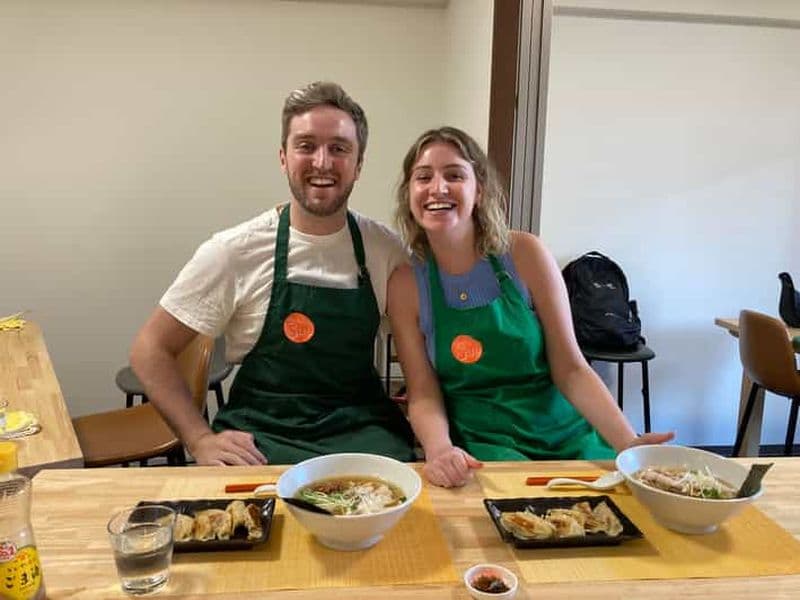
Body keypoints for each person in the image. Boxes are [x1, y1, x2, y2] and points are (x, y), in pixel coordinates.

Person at [130, 81, 415, 466]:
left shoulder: (386, 250)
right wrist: (199, 439)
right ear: (283, 157)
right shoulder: (234, 251)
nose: (322, 162)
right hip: (263, 437)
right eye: (306, 146)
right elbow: (149, 350)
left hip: (361, 431)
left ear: (358, 164)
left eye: (339, 149)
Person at [388, 126, 673, 488]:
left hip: (565, 433)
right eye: (423, 177)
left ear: (480, 192)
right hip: (486, 446)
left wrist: (628, 444)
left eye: (455, 175)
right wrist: (440, 449)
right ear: (409, 194)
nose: (438, 188)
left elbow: (571, 368)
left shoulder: (525, 254)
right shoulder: (406, 284)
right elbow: (423, 391)